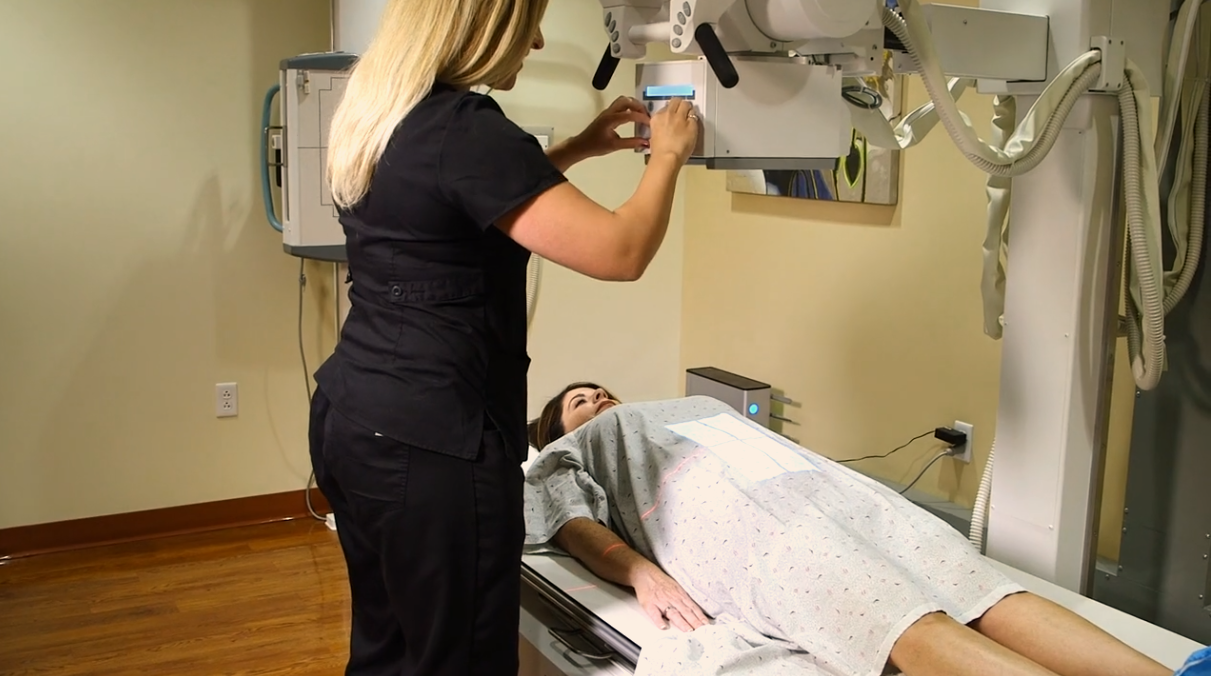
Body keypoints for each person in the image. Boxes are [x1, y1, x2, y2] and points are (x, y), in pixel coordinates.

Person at [307, 0, 701, 672]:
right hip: (432, 443)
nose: (540, 38)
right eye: (529, 24)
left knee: (388, 643)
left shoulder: (384, 113)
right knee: (457, 658)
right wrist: (666, 156)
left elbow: (455, 204)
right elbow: (620, 252)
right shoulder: (467, 128)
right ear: (480, 27)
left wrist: (578, 148)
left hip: (355, 418)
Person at [524, 384, 1175, 676]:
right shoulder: (583, 448)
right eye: (579, 401)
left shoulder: (682, 406)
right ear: (559, 432)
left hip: (836, 494)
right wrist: (640, 572)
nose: (600, 400)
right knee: (903, 621)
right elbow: (568, 518)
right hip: (753, 528)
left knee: (981, 592)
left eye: (603, 391)